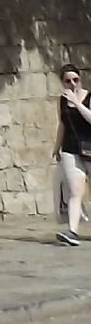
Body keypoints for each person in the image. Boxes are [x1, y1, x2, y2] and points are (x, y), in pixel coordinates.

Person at [54, 66, 91, 245]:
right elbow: (62, 124)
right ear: (62, 82)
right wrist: (57, 147)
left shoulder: (89, 97)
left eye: (75, 80)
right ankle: (72, 231)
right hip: (71, 149)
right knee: (75, 191)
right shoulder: (62, 101)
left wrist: (77, 103)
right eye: (68, 81)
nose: (72, 84)